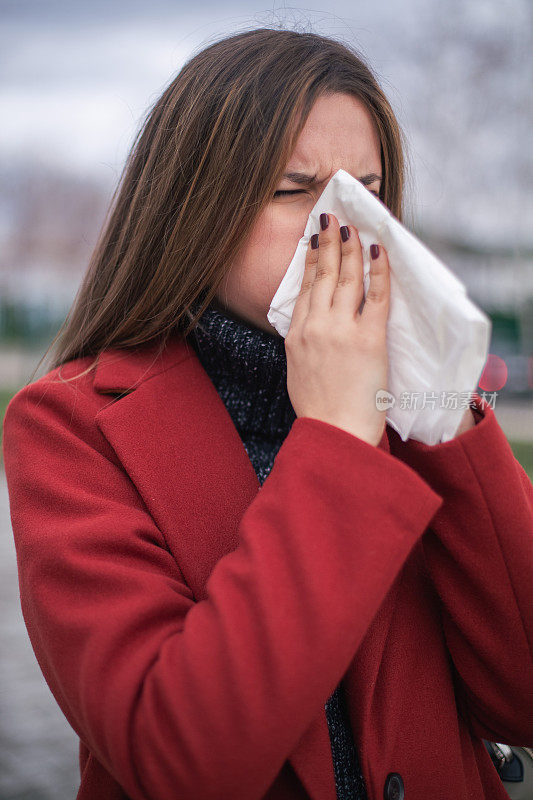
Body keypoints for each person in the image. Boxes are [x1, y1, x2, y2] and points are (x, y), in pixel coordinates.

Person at [2, 27, 532, 800]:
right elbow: (184, 760)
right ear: (194, 209)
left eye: (370, 190)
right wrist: (335, 439)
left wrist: (444, 412)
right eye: (294, 188)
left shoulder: (415, 405)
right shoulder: (69, 427)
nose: (347, 224)